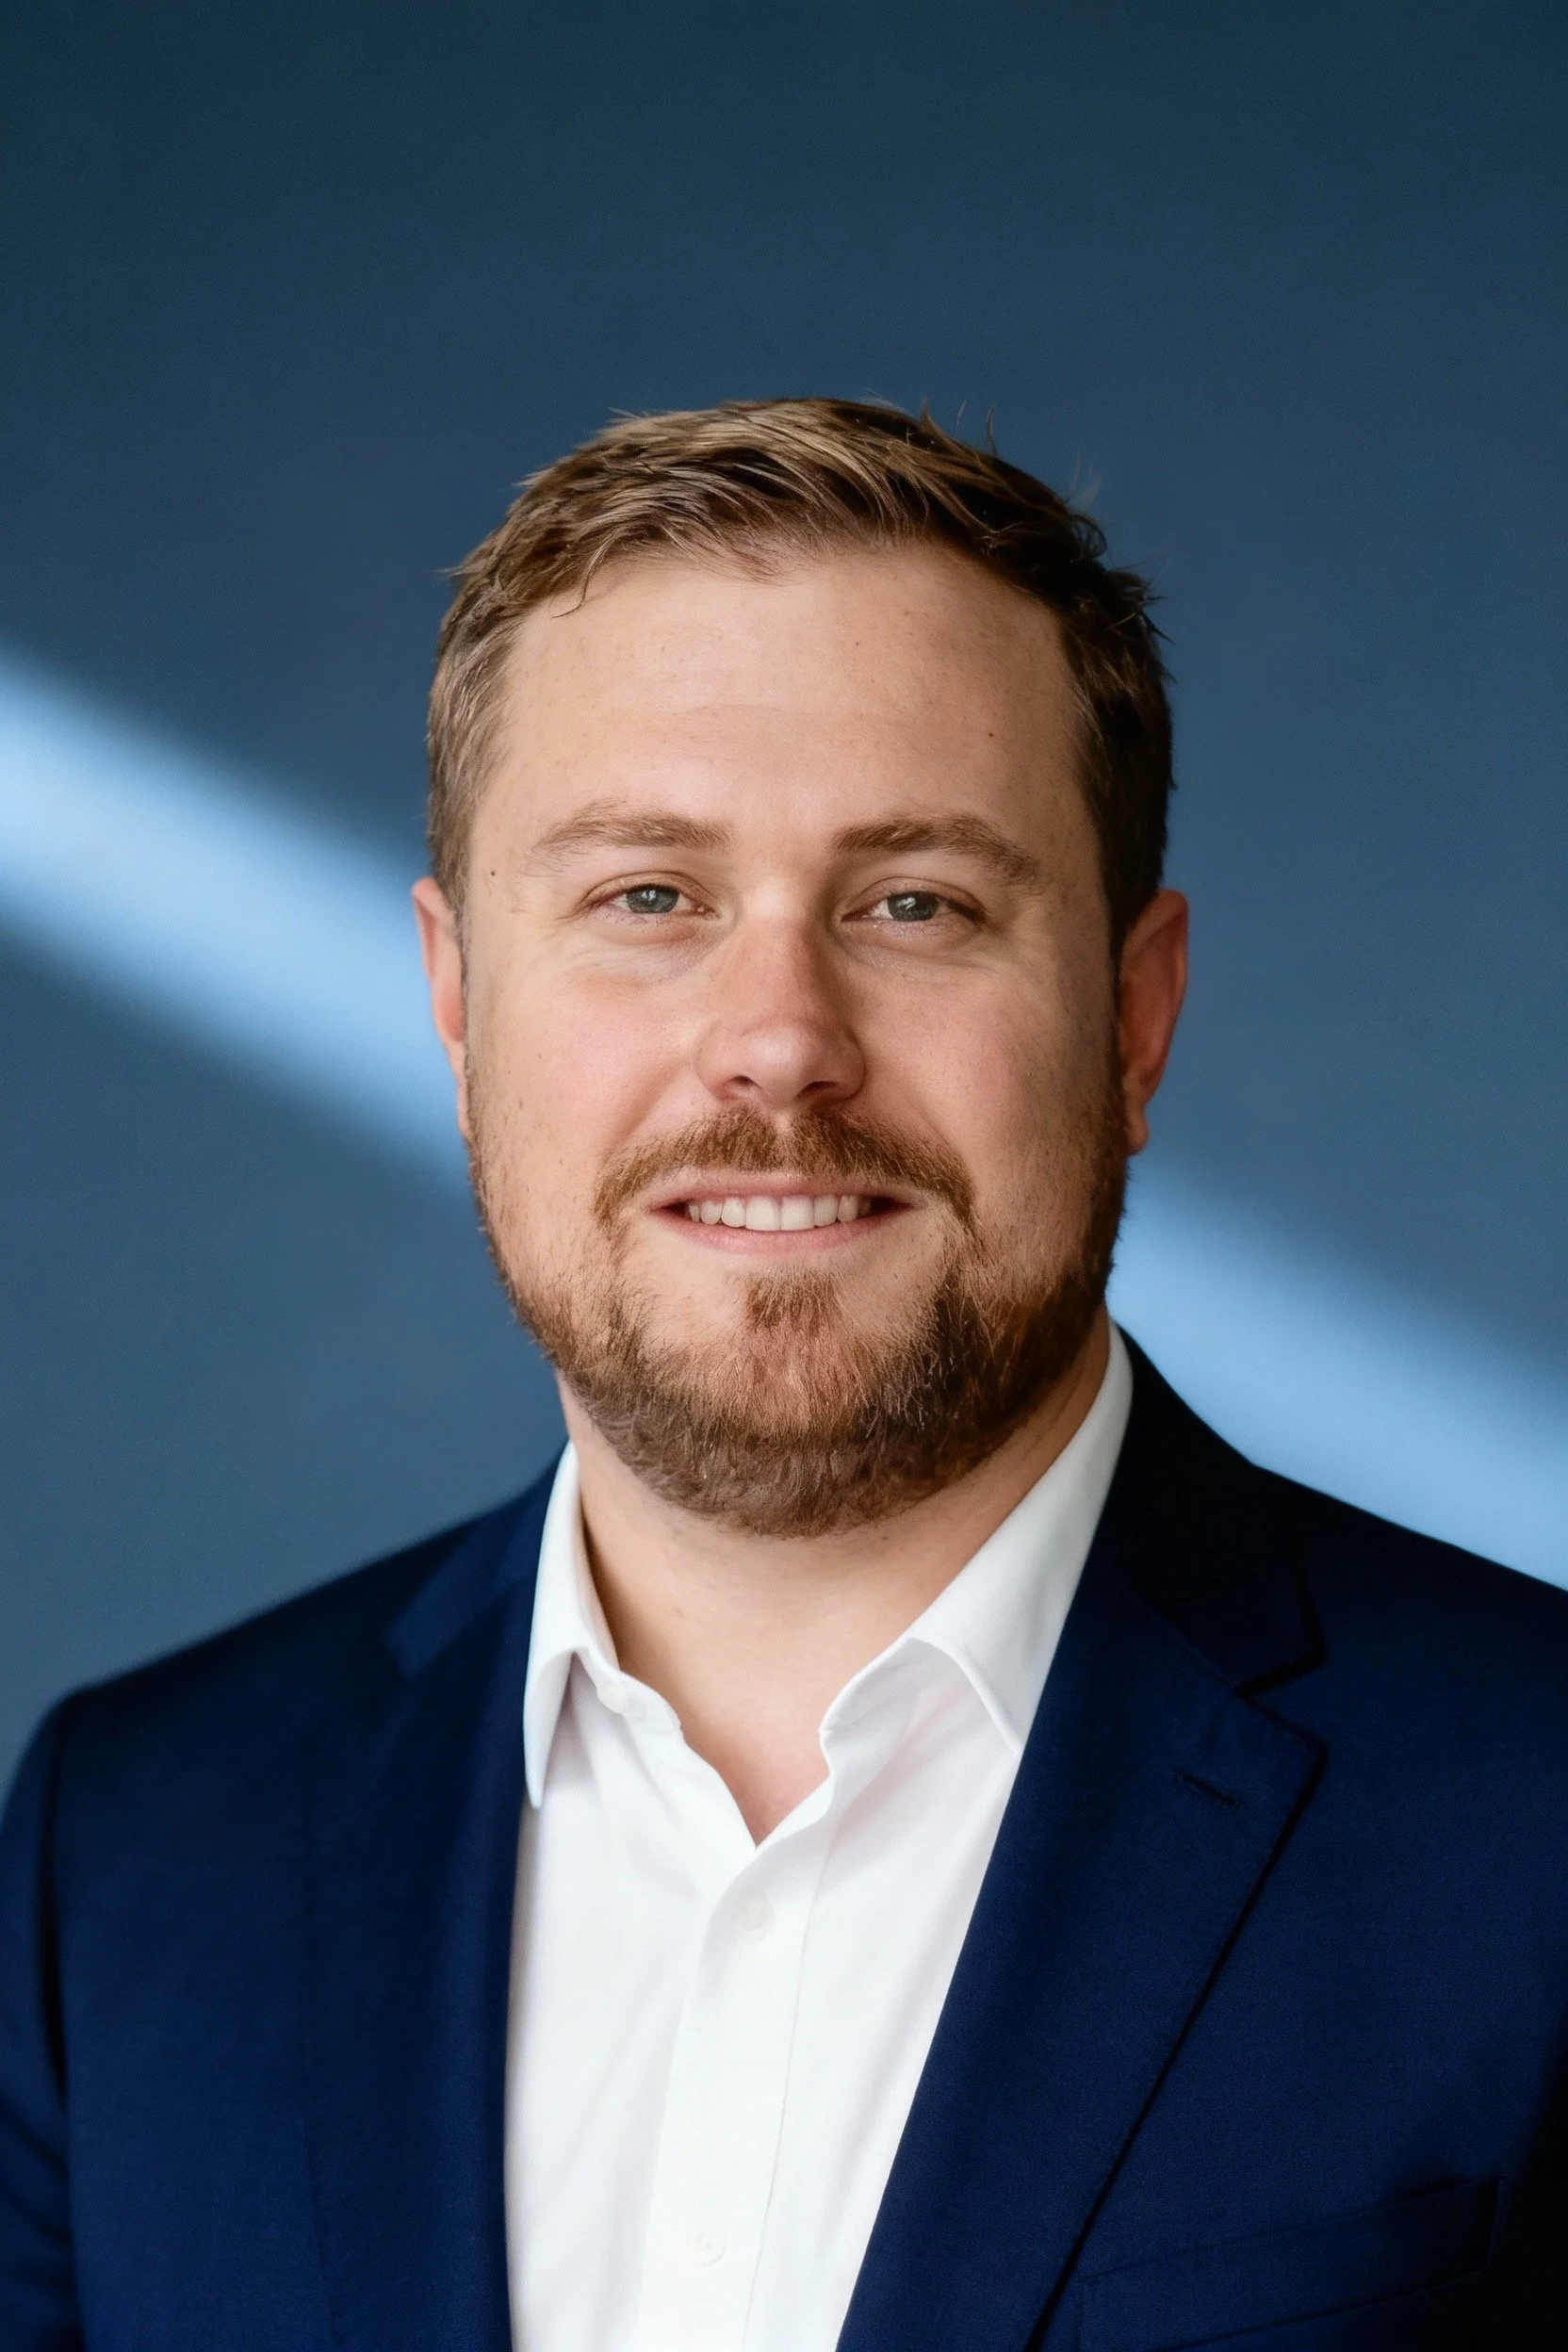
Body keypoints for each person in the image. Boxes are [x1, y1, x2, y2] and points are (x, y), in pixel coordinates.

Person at [1, 400, 1564, 2352]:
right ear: (455, 1003)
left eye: (915, 902)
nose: (777, 1043)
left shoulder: (1537, 1821)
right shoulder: (129, 1851)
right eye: (646, 897)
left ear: (1135, 1020)